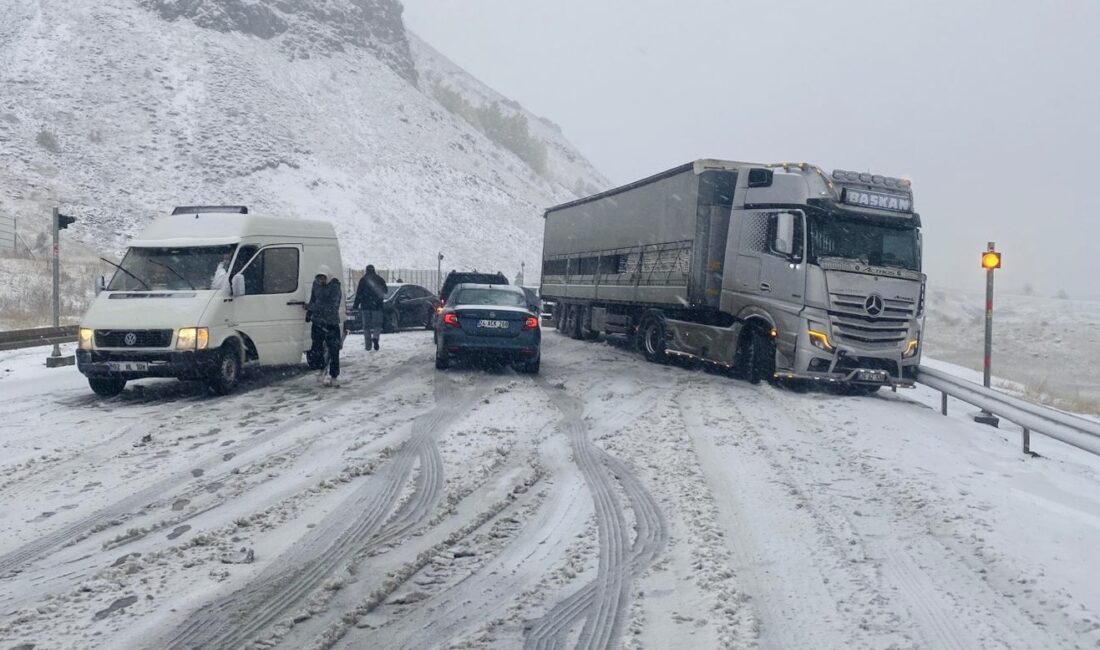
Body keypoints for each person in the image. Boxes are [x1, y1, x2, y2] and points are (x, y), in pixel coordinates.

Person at [304, 265, 343, 386]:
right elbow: (313, 299)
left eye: (323, 279)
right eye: (319, 279)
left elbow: (332, 306)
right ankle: (322, 369)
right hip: (318, 322)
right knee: (316, 348)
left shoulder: (335, 287)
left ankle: (334, 376)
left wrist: (312, 307)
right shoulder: (316, 285)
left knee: (334, 350)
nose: (321, 281)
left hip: (331, 323)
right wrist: (309, 313)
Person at [353, 264, 387, 351]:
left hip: (365, 307)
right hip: (377, 307)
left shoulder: (363, 280)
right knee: (377, 325)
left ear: (366, 270)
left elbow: (359, 294)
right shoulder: (380, 279)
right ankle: (375, 337)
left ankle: (368, 346)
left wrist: (355, 305)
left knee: (366, 327)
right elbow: (385, 291)